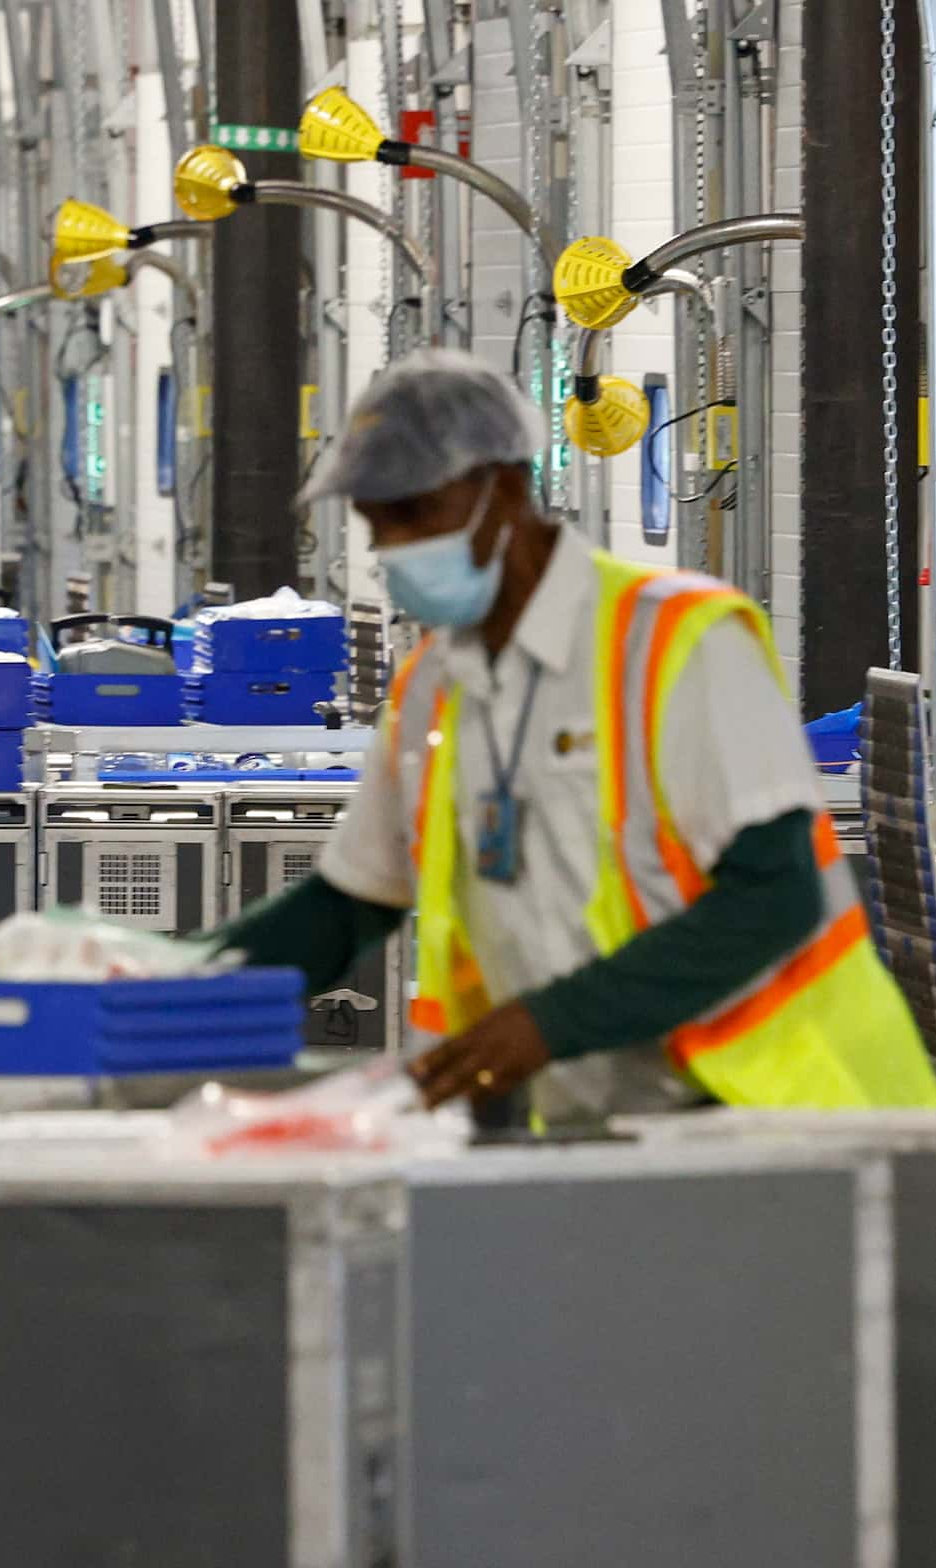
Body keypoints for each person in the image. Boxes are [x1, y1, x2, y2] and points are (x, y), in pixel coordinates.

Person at [216, 348, 936, 1119]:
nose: (392, 548)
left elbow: (773, 896)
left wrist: (544, 1025)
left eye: (415, 515)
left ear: (507, 489)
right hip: (580, 1127)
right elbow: (352, 900)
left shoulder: (677, 641)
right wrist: (186, 976)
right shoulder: (432, 684)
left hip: (775, 1118)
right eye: (374, 525)